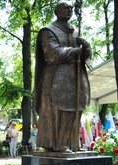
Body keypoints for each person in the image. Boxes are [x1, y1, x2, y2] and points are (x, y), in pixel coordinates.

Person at [34, 1, 91, 152]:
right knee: (61, 112)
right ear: (56, 11)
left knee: (75, 111)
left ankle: (74, 144)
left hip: (75, 77)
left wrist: (86, 48)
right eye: (65, 7)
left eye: (71, 8)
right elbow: (52, 54)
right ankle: (59, 145)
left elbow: (85, 58)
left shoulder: (76, 32)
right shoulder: (48, 31)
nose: (69, 10)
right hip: (56, 79)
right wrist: (75, 51)